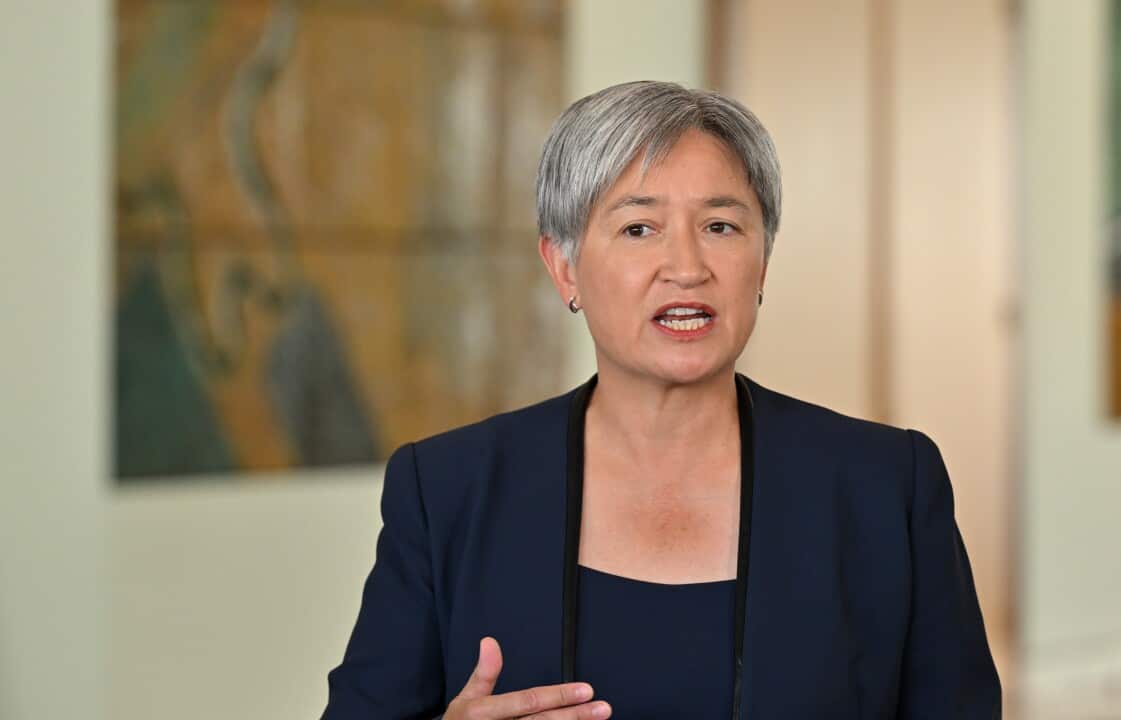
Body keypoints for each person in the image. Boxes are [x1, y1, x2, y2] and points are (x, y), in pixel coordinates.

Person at [322, 80, 1001, 720]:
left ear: (762, 262)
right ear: (564, 268)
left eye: (721, 226)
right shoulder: (448, 491)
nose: (687, 267)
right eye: (639, 228)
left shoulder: (887, 485)